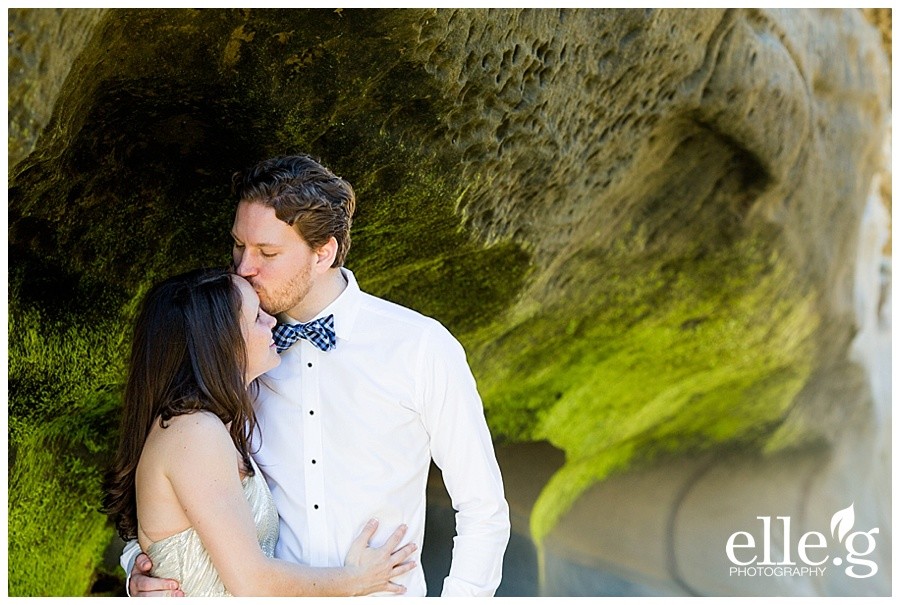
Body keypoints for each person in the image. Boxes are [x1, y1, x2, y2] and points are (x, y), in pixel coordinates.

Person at [126, 154, 511, 596]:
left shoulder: (420, 347)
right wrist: (147, 568)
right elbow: (176, 486)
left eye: (268, 252)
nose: (244, 268)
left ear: (323, 253)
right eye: (238, 246)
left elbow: (483, 509)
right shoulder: (238, 357)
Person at [104, 268, 417, 596]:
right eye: (256, 317)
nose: (272, 322)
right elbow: (252, 582)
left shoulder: (209, 425)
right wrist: (357, 580)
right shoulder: (195, 432)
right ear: (220, 341)